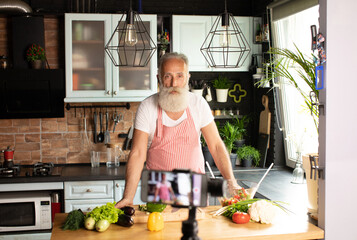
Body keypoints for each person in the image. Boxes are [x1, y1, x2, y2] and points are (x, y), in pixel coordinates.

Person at [115, 52, 238, 209]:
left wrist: (231, 181)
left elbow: (215, 146)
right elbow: (138, 153)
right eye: (168, 76)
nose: (174, 83)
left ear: (187, 77)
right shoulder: (147, 107)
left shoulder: (198, 104)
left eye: (180, 76)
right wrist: (128, 197)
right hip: (160, 192)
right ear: (159, 78)